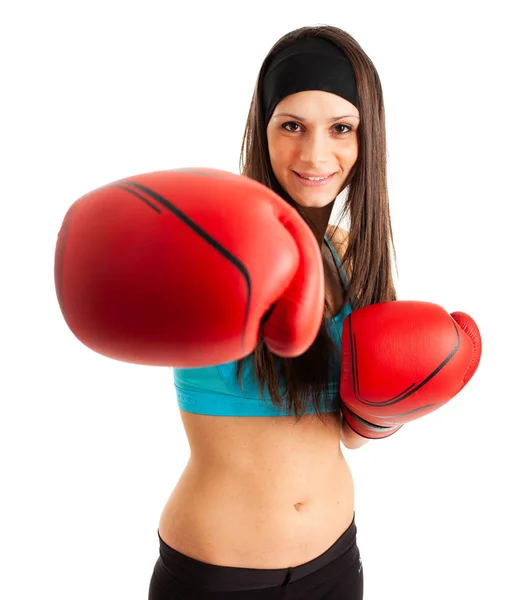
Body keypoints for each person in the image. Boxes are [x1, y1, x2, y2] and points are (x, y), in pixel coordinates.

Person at [148, 24, 393, 599]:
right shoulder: (215, 243)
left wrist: (396, 402)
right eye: (291, 126)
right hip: (217, 576)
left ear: (366, 139)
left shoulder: (349, 251)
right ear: (263, 132)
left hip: (335, 563)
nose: (315, 153)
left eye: (340, 128)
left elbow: (353, 437)